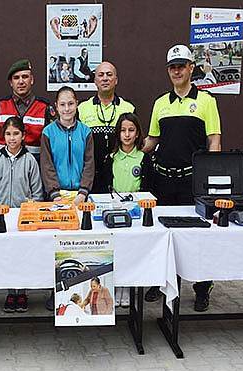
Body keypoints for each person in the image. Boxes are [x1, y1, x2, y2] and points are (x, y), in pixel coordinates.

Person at [142, 44, 221, 311]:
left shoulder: (207, 101)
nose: (176, 71)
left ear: (191, 68)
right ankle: (159, 281)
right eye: (172, 67)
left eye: (181, 66)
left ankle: (201, 287)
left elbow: (214, 141)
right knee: (161, 235)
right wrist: (126, 152)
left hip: (192, 181)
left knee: (198, 238)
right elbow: (153, 139)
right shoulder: (160, 104)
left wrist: (212, 179)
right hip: (164, 181)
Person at [0, 116, 44, 313]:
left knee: (22, 255)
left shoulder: (29, 161)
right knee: (7, 256)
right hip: (2, 217)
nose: (12, 138)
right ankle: (11, 292)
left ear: (23, 136)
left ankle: (22, 292)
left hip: (24, 218)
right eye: (8, 134)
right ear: (3, 137)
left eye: (16, 134)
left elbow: (37, 192)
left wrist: (30, 210)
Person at [100, 112, 154, 307]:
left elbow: (148, 189)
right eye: (123, 130)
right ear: (118, 134)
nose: (127, 134)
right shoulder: (110, 158)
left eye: (131, 130)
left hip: (136, 214)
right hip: (114, 212)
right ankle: (116, 286)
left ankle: (128, 287)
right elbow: (104, 186)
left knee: (132, 251)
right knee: (116, 251)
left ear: (138, 133)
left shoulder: (144, 158)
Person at [77, 61, 136, 194]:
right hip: (90, 176)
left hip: (120, 175)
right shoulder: (82, 108)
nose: (105, 78)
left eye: (109, 75)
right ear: (95, 81)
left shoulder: (128, 108)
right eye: (101, 75)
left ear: (116, 80)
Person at [0, 59, 56, 161]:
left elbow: (52, 141)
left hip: (35, 167)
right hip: (5, 166)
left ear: (32, 80)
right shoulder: (0, 106)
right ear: (11, 82)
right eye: (16, 78)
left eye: (25, 77)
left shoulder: (45, 108)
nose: (21, 81)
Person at [40, 86, 95, 206]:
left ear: (76, 104)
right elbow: (46, 165)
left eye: (70, 104)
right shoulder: (48, 133)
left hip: (81, 196)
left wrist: (83, 192)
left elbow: (89, 164)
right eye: (62, 104)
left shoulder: (85, 132)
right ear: (56, 106)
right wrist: (54, 193)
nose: (67, 109)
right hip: (56, 197)